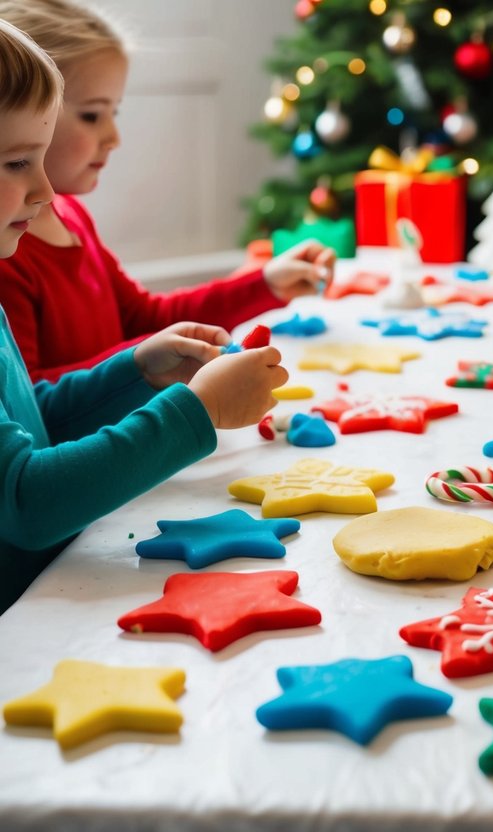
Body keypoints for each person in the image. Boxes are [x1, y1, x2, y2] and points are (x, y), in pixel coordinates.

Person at [0, 18, 288, 614]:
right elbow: (26, 500)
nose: (47, 191)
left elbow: (31, 419)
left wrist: (135, 372)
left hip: (53, 592)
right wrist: (197, 411)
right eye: (17, 163)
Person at [0, 0, 335, 384]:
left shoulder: (71, 215)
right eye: (93, 115)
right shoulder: (9, 256)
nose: (113, 137)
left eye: (115, 113)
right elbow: (32, 401)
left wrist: (266, 283)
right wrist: (144, 363)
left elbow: (145, 318)